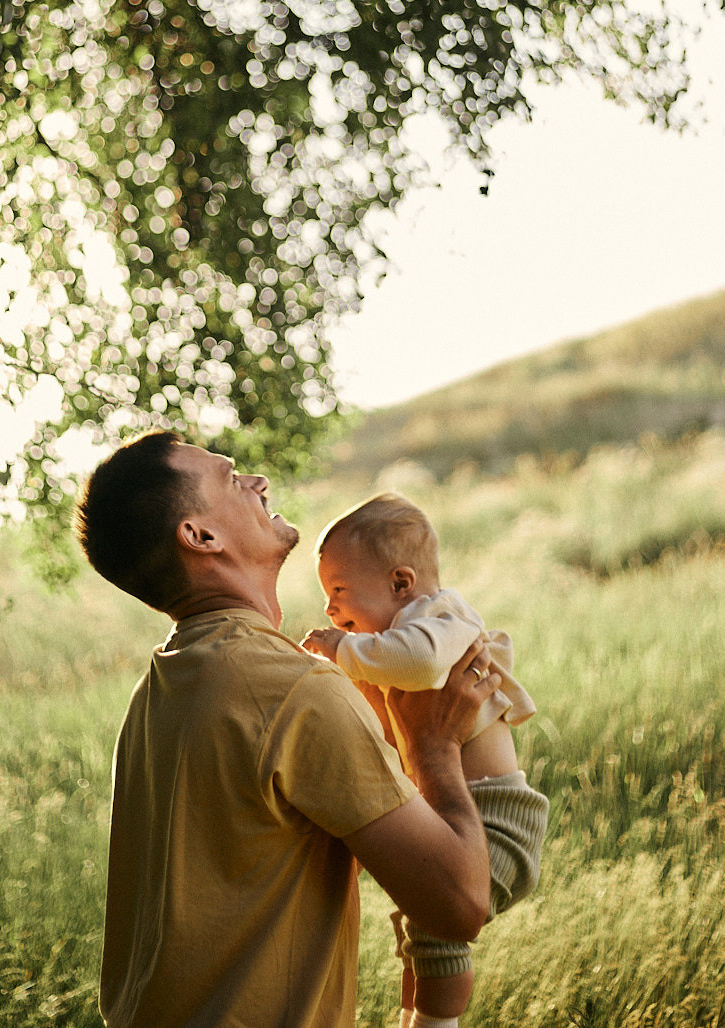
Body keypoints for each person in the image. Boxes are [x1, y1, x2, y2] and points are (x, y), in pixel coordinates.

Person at [74, 430, 503, 1028]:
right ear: (201, 537)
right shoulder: (293, 690)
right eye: (230, 479)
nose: (257, 482)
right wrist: (434, 748)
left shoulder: (158, 692)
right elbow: (459, 905)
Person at [301, 492, 549, 1028]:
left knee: (437, 927)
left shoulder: (439, 620)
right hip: (464, 813)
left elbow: (413, 664)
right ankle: (413, 1014)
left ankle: (437, 1023)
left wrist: (342, 652)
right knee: (417, 924)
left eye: (340, 591)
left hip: (496, 822)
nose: (330, 608)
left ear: (400, 584)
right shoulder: (409, 627)